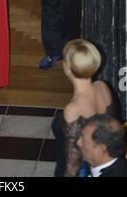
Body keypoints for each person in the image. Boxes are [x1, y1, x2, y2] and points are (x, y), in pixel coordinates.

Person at [51, 39, 123, 177]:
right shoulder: (103, 87)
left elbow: (72, 161)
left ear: (68, 67)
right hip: (107, 160)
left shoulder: (73, 108)